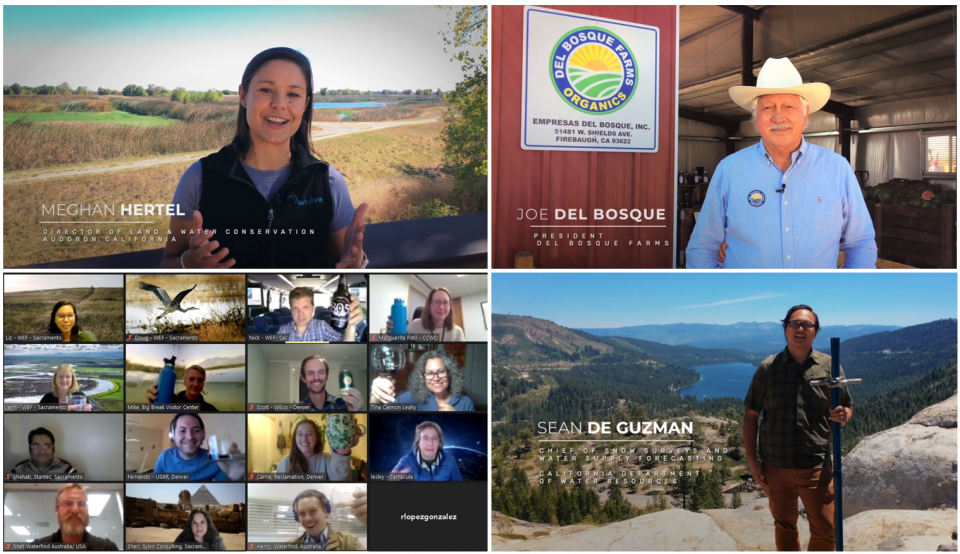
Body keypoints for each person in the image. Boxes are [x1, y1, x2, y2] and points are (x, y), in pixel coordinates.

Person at [160, 47, 368, 270]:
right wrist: (188, 264)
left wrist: (356, 265)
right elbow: (168, 263)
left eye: (293, 94)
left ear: (305, 104)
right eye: (266, 89)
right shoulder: (199, 178)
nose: (279, 103)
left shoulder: (328, 183)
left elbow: (341, 266)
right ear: (243, 95)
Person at [686, 57, 877, 269]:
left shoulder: (837, 169)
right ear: (755, 119)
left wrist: (845, 293)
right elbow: (703, 246)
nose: (778, 116)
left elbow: (861, 243)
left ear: (805, 117)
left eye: (789, 106)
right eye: (768, 107)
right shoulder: (730, 169)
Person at [743, 304, 854, 551]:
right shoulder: (767, 368)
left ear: (816, 331)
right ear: (785, 329)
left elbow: (847, 406)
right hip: (775, 464)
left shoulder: (830, 367)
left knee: (827, 530)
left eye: (807, 324)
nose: (800, 328)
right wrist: (752, 461)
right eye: (794, 323)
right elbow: (751, 415)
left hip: (815, 464)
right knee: (784, 526)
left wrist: (844, 415)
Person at [371, 350, 475, 411]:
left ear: (449, 373)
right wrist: (375, 396)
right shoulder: (407, 399)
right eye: (429, 373)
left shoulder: (466, 403)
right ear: (422, 377)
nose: (436, 378)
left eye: (441, 371)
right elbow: (374, 410)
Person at [153, 414, 243, 481]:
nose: (190, 437)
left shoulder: (216, 460)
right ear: (173, 436)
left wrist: (235, 478)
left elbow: (225, 489)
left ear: (203, 434)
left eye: (196, 430)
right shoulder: (164, 457)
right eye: (182, 430)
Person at [33, 483, 119, 549]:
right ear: (57, 510)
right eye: (67, 503)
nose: (75, 510)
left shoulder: (107, 548)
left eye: (81, 504)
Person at [275, 418, 359, 480]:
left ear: (316, 438)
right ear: (295, 438)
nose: (304, 438)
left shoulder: (326, 459)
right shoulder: (285, 462)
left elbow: (342, 482)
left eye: (309, 434)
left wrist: (343, 450)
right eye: (300, 434)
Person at [277, 286, 366, 342]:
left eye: (305, 307)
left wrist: (351, 326)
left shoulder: (321, 327)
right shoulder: (283, 331)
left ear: (313, 309)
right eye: (295, 308)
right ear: (291, 310)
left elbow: (345, 343)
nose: (300, 313)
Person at [287, 489, 366, 549]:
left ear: (325, 512)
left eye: (313, 511)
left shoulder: (350, 542)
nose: (307, 518)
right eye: (302, 514)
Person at [391, 421, 462, 481]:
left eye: (434, 438)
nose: (430, 443)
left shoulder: (450, 460)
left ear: (439, 442)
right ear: (418, 442)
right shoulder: (405, 462)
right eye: (425, 438)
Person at [386, 287, 466, 341]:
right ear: (429, 305)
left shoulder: (458, 332)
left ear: (450, 306)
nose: (441, 307)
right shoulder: (415, 325)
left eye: (445, 302)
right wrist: (391, 336)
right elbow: (402, 348)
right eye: (436, 302)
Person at [299, 355, 364, 412]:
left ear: (326, 376)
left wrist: (355, 412)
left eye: (321, 372)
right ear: (304, 379)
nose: (316, 377)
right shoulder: (297, 409)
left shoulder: (343, 405)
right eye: (310, 373)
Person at [145, 365, 219, 411]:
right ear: (184, 382)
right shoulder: (170, 403)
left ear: (203, 384)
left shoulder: (211, 410)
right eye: (191, 379)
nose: (196, 384)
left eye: (200, 380)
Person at [11, 427, 78, 475]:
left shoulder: (68, 472)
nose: (42, 452)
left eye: (47, 446)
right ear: (30, 449)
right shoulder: (17, 471)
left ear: (53, 449)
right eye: (36, 446)